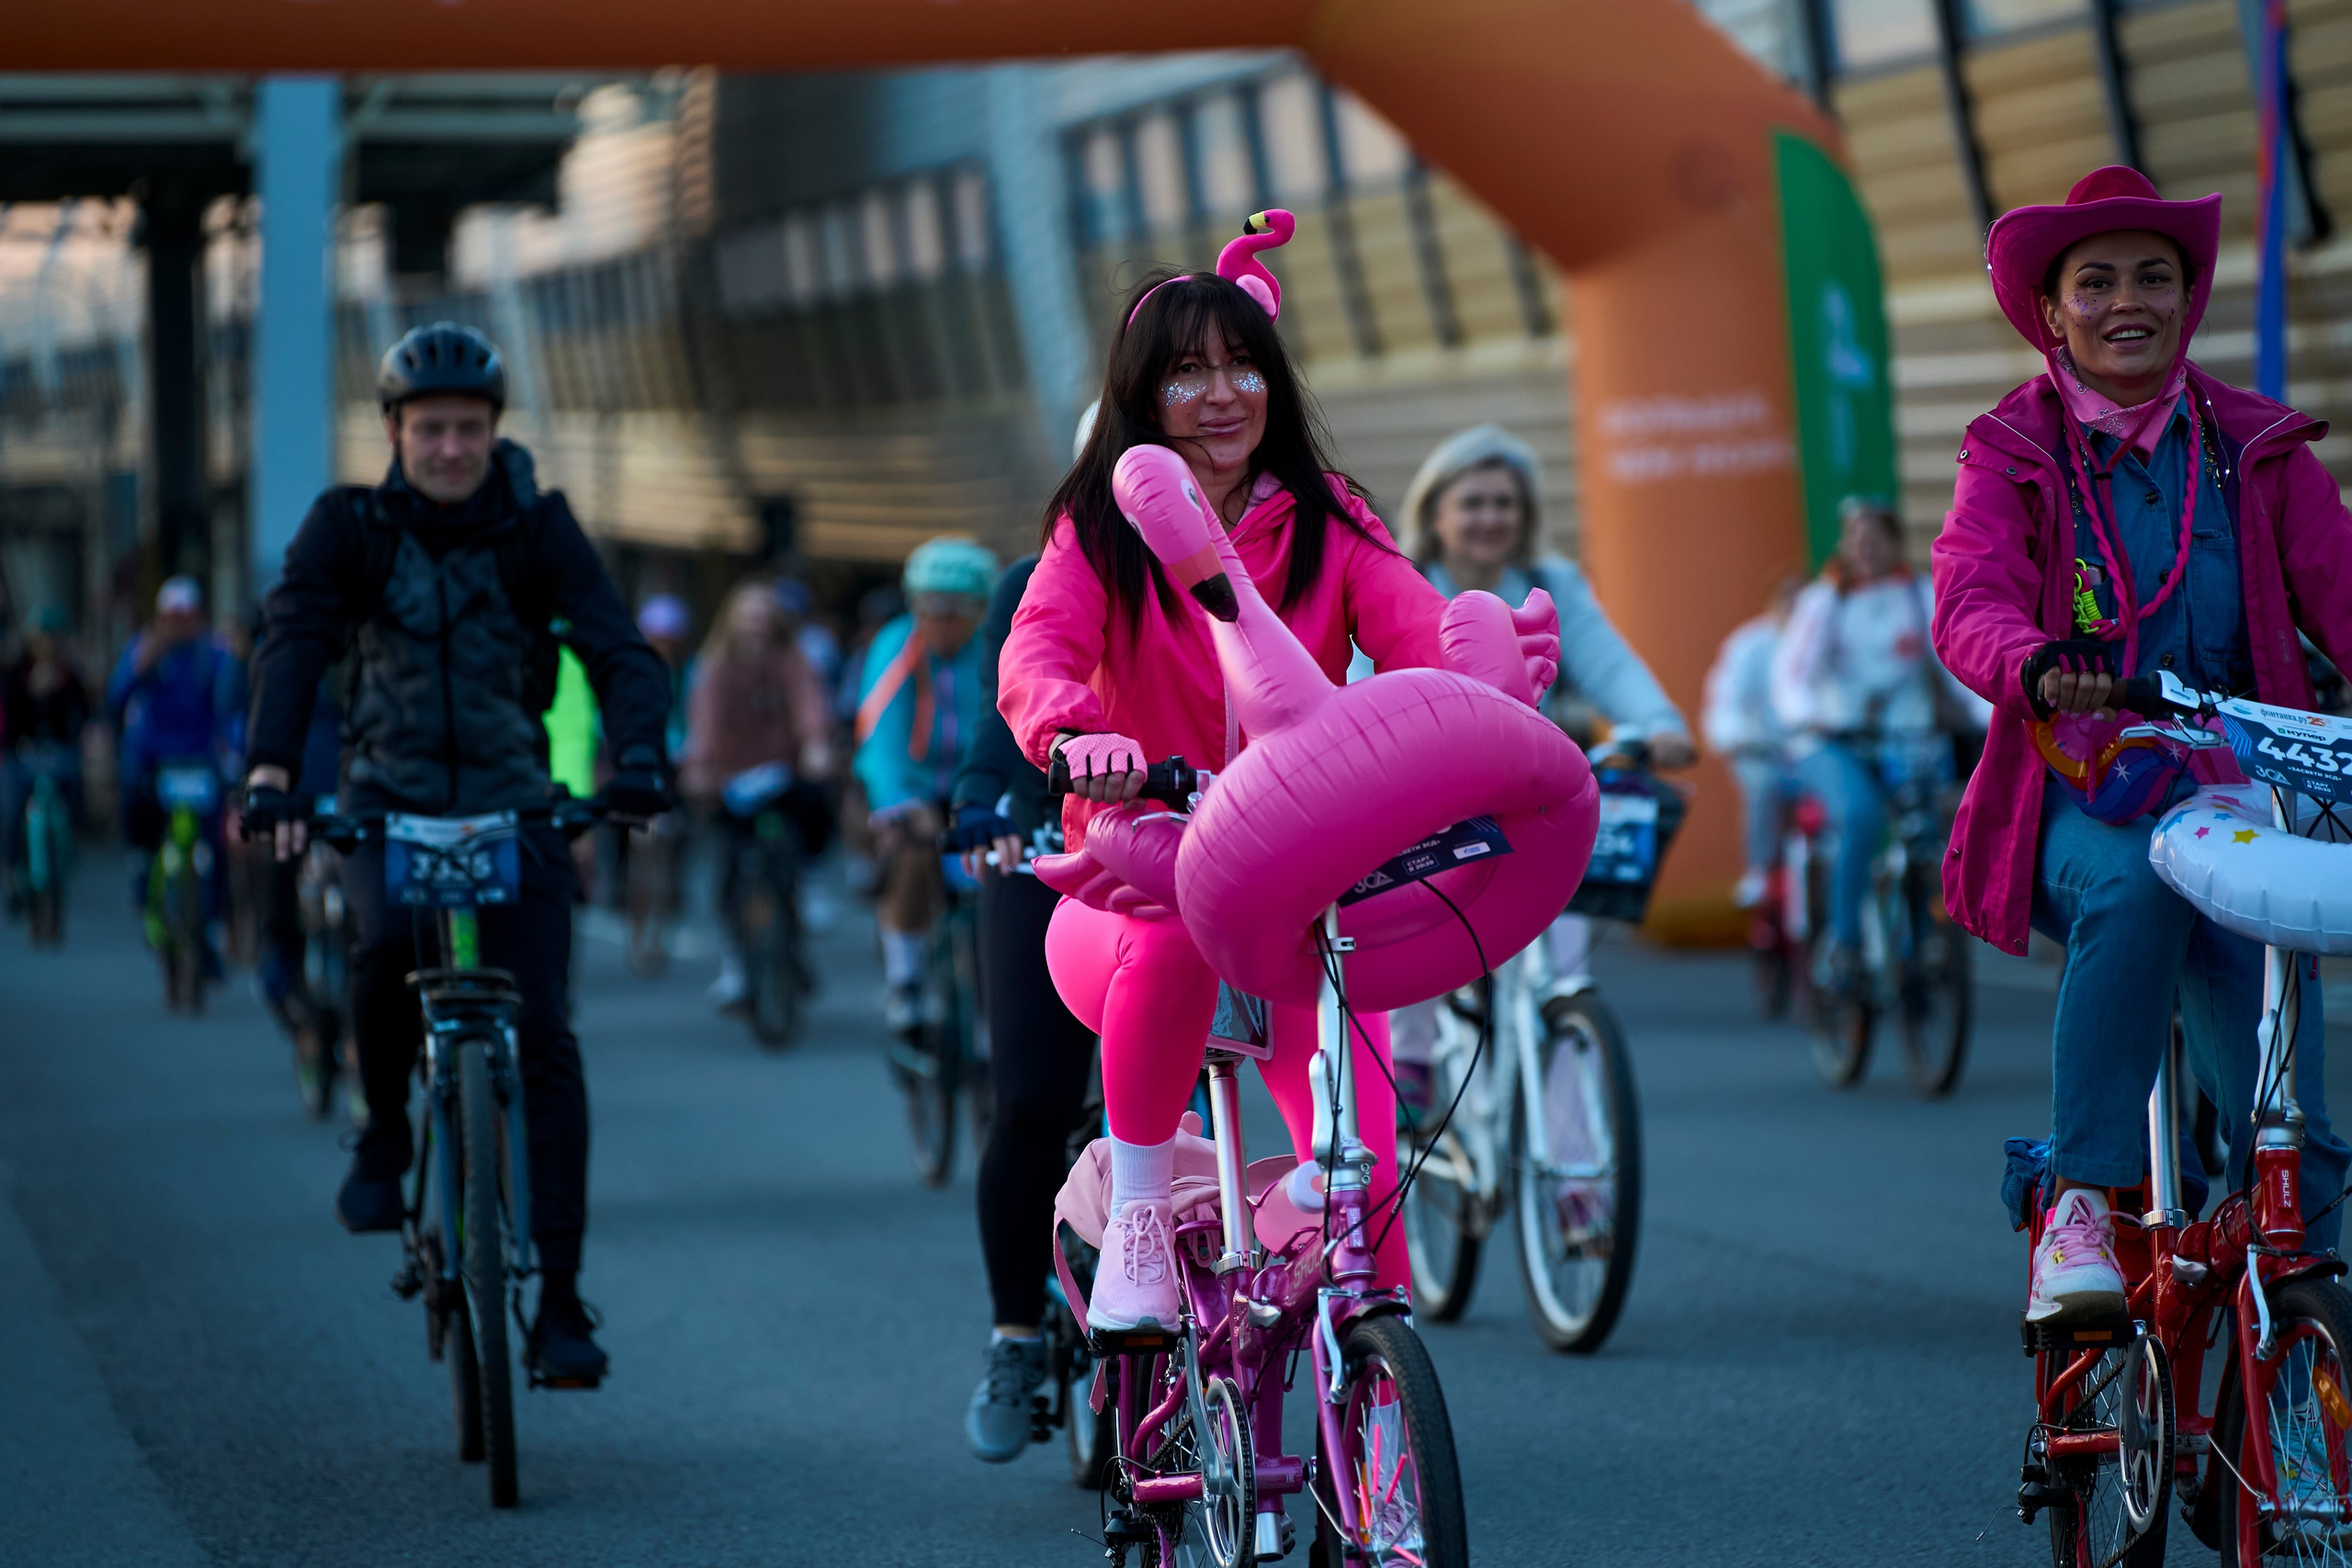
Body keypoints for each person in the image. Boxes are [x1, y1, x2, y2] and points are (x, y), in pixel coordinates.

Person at [996, 231, 1491, 1334]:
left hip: (1294, 894)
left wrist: (1486, 696)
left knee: (1360, 1185)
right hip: (1129, 890)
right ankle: (1132, 1219)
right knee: (1177, 931)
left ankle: (1365, 1413)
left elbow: (1420, 631)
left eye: (1243, 365)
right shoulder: (1098, 529)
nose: (1222, 395)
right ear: (1142, 395)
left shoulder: (1329, 517)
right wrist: (1080, 740)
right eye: (1187, 373)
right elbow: (1035, 659)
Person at [1930, 165, 2352, 1323]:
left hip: (2240, 802)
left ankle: (2296, 1353)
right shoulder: (2009, 450)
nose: (2129, 300)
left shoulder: (2256, 448)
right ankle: (2081, 1193)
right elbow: (1969, 597)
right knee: (2134, 890)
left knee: (2293, 1138)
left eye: (2154, 277)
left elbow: (2344, 586)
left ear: (2187, 296)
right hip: (2084, 793)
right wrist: (2027, 662)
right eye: (2097, 280)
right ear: (2052, 309)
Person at [240, 321, 672, 1383]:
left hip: (511, 800)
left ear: (493, 431)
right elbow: (295, 640)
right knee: (382, 947)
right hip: (388, 796)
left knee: (548, 1038)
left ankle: (560, 1304)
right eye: (428, 428)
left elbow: (616, 648)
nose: (447, 448)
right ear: (392, 430)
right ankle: (385, 1133)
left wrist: (640, 760)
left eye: (467, 429)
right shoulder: (347, 526)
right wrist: (272, 775)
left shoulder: (537, 525)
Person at [1386, 424, 1694, 1097]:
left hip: (1535, 791)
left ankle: (1577, 1174)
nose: (1491, 517)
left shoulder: (1549, 582)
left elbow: (1610, 664)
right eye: (1473, 502)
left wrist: (1660, 725)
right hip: (1433, 792)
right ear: (1435, 511)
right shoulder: (1402, 582)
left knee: (1563, 985)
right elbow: (1364, 681)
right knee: (1417, 907)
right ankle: (1410, 1053)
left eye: (1505, 503)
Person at [1772, 497, 1985, 978]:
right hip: (1833, 741)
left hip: (1904, 739)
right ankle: (1843, 944)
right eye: (1856, 540)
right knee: (1861, 816)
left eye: (1876, 539)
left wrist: (1992, 713)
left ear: (1893, 543)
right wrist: (1807, 715)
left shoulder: (1921, 596)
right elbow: (1792, 676)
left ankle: (1926, 936)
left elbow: (1958, 671)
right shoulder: (1824, 600)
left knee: (1929, 827)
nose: (1865, 549)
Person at [853, 538, 998, 1037]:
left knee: (1000, 870)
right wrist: (898, 802)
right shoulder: (897, 645)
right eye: (928, 609)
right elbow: (880, 736)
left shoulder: (993, 648)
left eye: (956, 611)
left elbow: (1007, 726)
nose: (940, 623)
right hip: (912, 788)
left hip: (973, 788)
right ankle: (906, 981)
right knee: (911, 858)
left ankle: (990, 1003)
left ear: (980, 610)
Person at [679, 580, 834, 1009]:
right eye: (747, 616)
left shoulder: (793, 660)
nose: (755, 626)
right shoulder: (715, 667)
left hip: (784, 775)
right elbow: (705, 725)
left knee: (816, 810)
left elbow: (810, 709)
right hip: (732, 780)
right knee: (730, 865)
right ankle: (734, 964)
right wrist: (700, 767)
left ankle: (811, 882)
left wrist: (815, 746)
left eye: (763, 616)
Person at [108, 576, 240, 956]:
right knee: (136, 801)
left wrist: (231, 753)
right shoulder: (144, 649)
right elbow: (116, 700)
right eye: (172, 617)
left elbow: (231, 707)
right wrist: (137, 668)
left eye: (186, 617)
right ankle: (140, 868)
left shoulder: (214, 656)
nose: (179, 625)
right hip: (154, 761)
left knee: (216, 843)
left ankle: (211, 924)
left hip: (200, 764)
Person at [1703, 579, 1798, 908]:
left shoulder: (1820, 639)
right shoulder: (1749, 645)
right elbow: (1727, 701)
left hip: (1807, 746)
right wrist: (1739, 737)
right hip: (1759, 748)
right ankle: (1758, 869)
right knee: (1763, 788)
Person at [4, 605, 93, 900]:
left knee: (74, 790)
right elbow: (9, 718)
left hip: (59, 752)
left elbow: (84, 713)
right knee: (13, 806)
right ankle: (14, 869)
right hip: (23, 751)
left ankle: (74, 846)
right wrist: (31, 692)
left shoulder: (69, 673)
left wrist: (60, 690)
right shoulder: (17, 672)